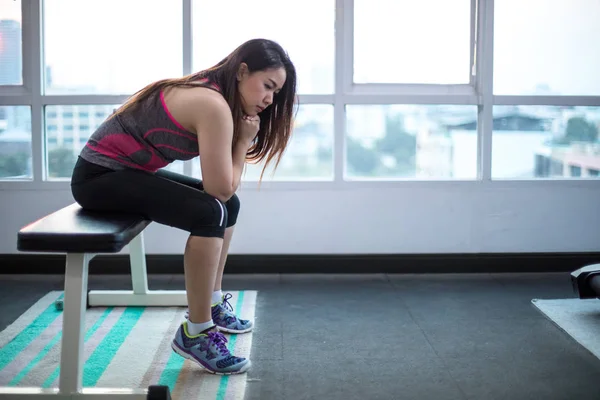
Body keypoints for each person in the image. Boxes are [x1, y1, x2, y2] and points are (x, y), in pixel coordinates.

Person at [70, 38, 297, 375]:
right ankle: (197, 331)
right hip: (98, 178)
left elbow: (223, 194)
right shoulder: (212, 104)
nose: (269, 99)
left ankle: (213, 301)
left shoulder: (215, 95)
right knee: (211, 210)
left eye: (276, 93)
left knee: (227, 208)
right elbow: (218, 187)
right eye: (267, 86)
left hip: (123, 172)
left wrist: (239, 143)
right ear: (243, 71)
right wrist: (242, 144)